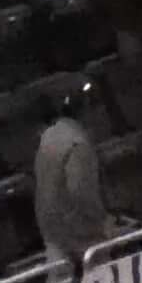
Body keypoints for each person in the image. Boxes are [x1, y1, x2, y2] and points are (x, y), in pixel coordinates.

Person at [33, 88, 108, 269]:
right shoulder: (77, 144)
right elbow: (80, 191)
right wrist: (104, 221)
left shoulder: (48, 139)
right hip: (82, 239)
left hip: (53, 239)